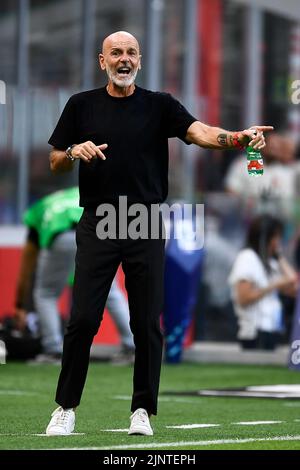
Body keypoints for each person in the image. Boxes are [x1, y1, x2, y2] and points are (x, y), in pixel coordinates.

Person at [45, 30, 273, 436]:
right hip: (99, 219)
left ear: (139, 60)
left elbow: (200, 133)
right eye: (116, 53)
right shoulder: (80, 106)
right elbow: (56, 161)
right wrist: (73, 152)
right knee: (82, 319)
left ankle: (142, 411)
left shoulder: (159, 105)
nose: (124, 59)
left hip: (146, 220)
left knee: (147, 322)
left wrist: (238, 138)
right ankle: (65, 407)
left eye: (131, 52)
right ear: (103, 61)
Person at [14, 187, 134, 363]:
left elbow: (28, 258)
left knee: (46, 293)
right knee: (110, 291)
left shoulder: (42, 206)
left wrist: (19, 303)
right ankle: (132, 346)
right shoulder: (86, 191)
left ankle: (53, 350)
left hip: (61, 236)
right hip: (98, 232)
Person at [228, 215, 298, 350]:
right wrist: (275, 285)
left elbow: (293, 285)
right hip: (254, 331)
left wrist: (279, 256)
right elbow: (243, 298)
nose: (278, 242)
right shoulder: (247, 258)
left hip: (271, 328)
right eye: (276, 237)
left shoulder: (270, 262)